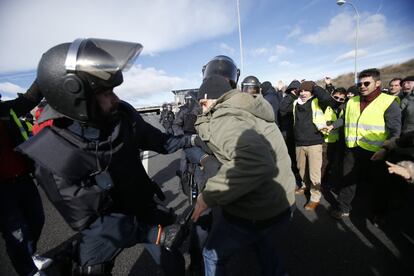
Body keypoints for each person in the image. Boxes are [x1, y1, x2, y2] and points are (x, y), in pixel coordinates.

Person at [16, 38, 204, 275]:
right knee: (92, 269)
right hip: (106, 223)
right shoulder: (53, 154)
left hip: (141, 203)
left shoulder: (122, 116)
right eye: (105, 93)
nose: (116, 99)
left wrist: (191, 140)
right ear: (75, 98)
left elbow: (162, 142)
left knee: (173, 262)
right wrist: (154, 234)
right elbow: (90, 222)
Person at [192, 74, 296, 276]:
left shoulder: (226, 118)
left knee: (212, 255)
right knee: (260, 240)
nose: (203, 108)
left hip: (255, 208)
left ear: (212, 98)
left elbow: (253, 162)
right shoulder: (252, 108)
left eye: (203, 102)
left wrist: (208, 196)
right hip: (278, 201)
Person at [327, 68, 401, 222]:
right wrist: (333, 125)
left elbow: (395, 132)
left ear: (378, 83)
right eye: (359, 83)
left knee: (378, 185)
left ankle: (378, 213)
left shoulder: (388, 102)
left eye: (367, 83)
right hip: (352, 148)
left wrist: (385, 149)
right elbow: (345, 120)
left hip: (377, 152)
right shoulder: (351, 102)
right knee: (347, 180)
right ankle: (343, 208)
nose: (362, 86)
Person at [0, 81, 53, 275]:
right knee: (16, 233)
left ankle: (30, 254)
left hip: (22, 178)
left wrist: (45, 75)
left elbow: (29, 99)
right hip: (2, 189)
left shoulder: (5, 109)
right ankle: (28, 271)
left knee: (36, 220)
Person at [280, 81, 333, 210]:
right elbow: (282, 109)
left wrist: (314, 86)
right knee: (301, 169)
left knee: (314, 172)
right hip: (299, 142)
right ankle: (305, 186)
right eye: (301, 91)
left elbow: (327, 98)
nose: (303, 93)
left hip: (314, 142)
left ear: (312, 92)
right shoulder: (295, 102)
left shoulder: (317, 102)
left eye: (306, 91)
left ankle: (315, 197)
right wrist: (290, 93)